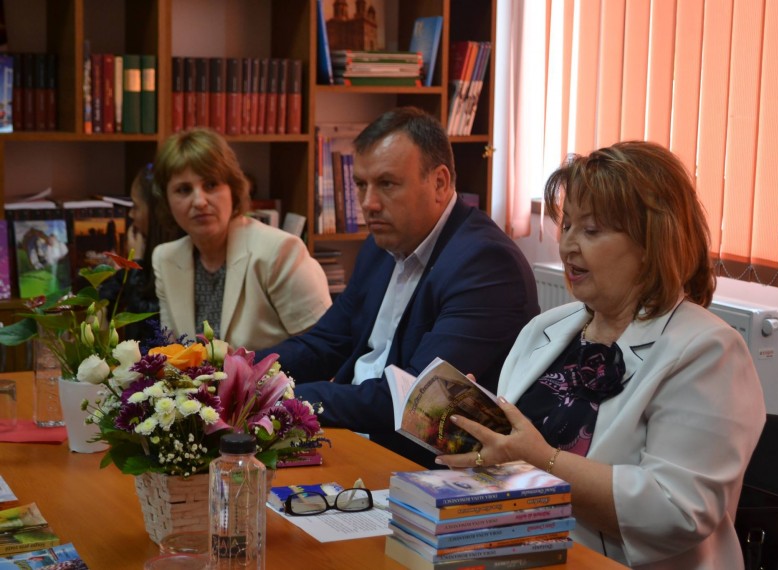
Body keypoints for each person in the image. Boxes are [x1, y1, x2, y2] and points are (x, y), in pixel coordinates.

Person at [436, 141, 766, 568]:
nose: (567, 246)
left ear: (652, 244)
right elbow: (511, 453)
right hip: (519, 550)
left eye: (591, 231)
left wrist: (540, 462)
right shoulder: (546, 328)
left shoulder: (708, 350)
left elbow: (678, 511)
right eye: (567, 224)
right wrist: (479, 433)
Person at [258, 107, 540, 467]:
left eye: (387, 184)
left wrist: (283, 396)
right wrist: (246, 371)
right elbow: (327, 342)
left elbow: (416, 399)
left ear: (440, 183)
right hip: (355, 437)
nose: (368, 204)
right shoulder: (381, 246)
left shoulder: (486, 265)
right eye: (361, 185)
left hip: (422, 465)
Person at [151, 128, 331, 351]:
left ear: (233, 190)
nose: (199, 201)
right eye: (184, 189)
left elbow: (322, 350)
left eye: (211, 185)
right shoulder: (165, 258)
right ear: (167, 201)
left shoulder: (279, 251)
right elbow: (173, 354)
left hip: (282, 375)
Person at [98, 164, 182, 343]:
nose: (131, 214)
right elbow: (107, 294)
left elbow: (146, 320)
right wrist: (129, 266)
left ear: (155, 213)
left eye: (136, 206)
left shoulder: (176, 259)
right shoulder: (147, 250)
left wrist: (135, 262)